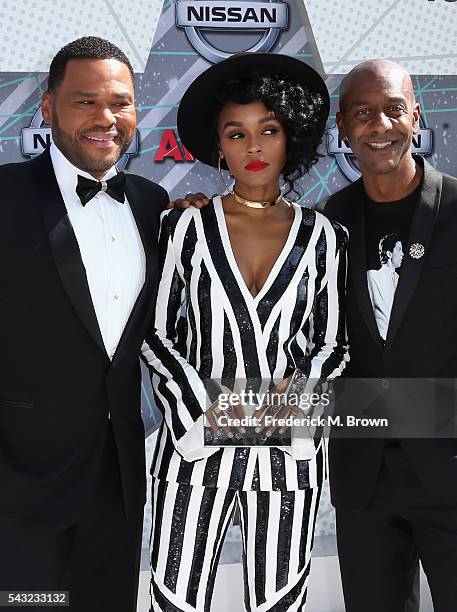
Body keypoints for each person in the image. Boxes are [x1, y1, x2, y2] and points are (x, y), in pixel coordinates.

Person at [141, 53, 348, 612]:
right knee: (176, 597)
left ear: (292, 136)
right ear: (218, 146)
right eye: (237, 134)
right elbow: (158, 337)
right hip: (193, 452)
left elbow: (331, 344)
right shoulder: (185, 227)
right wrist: (200, 417)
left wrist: (294, 413)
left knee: (280, 600)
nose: (253, 147)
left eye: (268, 130)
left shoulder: (324, 236)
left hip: (287, 456)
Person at [0, 36, 171, 612]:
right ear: (47, 108)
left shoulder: (153, 205)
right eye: (85, 101)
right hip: (19, 492)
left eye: (120, 102)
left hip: (119, 485)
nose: (106, 118)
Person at [319, 59, 457, 612]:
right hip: (365, 482)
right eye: (363, 113)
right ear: (344, 130)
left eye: (394, 109)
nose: (380, 125)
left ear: (416, 116)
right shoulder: (330, 221)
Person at [367, 233, 404, 340]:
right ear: (389, 253)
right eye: (399, 249)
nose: (403, 254)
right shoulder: (372, 276)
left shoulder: (399, 279)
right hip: (378, 340)